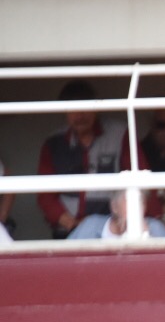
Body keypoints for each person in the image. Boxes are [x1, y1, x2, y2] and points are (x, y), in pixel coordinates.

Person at [36, 79, 138, 239]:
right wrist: (69, 222)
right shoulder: (53, 142)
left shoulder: (120, 134)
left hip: (110, 230)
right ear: (64, 111)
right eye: (73, 109)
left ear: (96, 108)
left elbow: (139, 178)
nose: (80, 115)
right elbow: (45, 195)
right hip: (66, 231)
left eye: (86, 107)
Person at [66, 190, 165, 240]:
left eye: (141, 202)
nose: (136, 208)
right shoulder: (90, 226)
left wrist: (146, 238)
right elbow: (64, 259)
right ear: (114, 207)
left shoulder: (155, 228)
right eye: (130, 201)